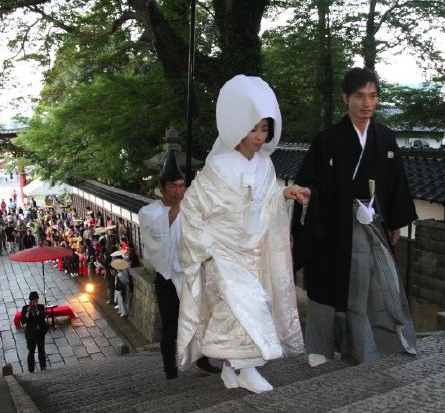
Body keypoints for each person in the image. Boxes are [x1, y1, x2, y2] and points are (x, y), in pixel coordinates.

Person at [176, 75, 307, 393]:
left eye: (264, 128)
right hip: (222, 252)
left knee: (243, 308)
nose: (260, 136)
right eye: (253, 128)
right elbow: (192, 209)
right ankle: (247, 369)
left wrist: (284, 194)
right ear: (237, 126)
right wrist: (205, 247)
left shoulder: (266, 166)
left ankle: (231, 368)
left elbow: (265, 204)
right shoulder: (217, 168)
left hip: (254, 252)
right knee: (243, 304)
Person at [291, 67, 418, 367]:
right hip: (335, 223)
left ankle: (374, 342)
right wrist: (310, 194)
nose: (367, 103)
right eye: (359, 96)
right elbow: (312, 180)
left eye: (373, 96)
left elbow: (396, 182)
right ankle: (320, 347)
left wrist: (395, 221)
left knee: (375, 282)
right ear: (346, 98)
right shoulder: (327, 140)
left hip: (373, 221)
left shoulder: (385, 138)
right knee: (328, 284)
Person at [139, 152, 221, 380]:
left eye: (182, 185)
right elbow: (158, 233)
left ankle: (202, 360)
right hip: (166, 276)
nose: (179, 190)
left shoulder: (190, 208)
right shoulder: (149, 212)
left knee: (199, 318)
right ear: (162, 187)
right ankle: (170, 369)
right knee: (171, 326)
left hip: (191, 274)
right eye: (174, 186)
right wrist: (180, 205)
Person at [20, 291, 48, 373]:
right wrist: (28, 313)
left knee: (41, 350)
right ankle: (31, 368)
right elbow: (23, 321)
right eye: (34, 300)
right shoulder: (25, 308)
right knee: (31, 351)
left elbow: (42, 318)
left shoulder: (41, 307)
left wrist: (36, 312)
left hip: (40, 332)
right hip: (30, 334)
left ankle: (43, 366)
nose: (36, 302)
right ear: (30, 300)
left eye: (37, 300)